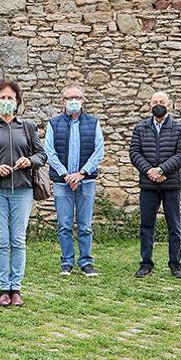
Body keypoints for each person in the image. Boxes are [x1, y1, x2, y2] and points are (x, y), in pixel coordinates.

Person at [0, 79, 45, 307]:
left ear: (17, 101)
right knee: (2, 240)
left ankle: (17, 288)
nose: (6, 101)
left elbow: (42, 156)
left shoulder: (28, 127)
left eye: (10, 98)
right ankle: (4, 287)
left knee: (19, 240)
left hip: (22, 190)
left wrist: (29, 160)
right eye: (2, 97)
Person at [44, 84, 105, 278]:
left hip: (86, 182)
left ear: (83, 100)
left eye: (77, 97)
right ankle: (67, 261)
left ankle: (86, 261)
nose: (73, 101)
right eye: (69, 98)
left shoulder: (93, 123)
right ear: (63, 101)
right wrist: (65, 175)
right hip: (62, 183)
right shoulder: (53, 124)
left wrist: (82, 173)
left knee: (85, 225)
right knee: (64, 224)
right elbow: (50, 152)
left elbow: (99, 151)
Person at [128, 91, 181, 278]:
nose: (158, 104)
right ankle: (146, 264)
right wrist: (150, 171)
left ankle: (175, 264)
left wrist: (162, 170)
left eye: (161, 101)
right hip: (148, 185)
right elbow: (135, 153)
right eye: (154, 101)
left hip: (170, 185)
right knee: (146, 226)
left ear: (169, 104)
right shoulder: (140, 129)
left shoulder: (179, 129)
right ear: (150, 105)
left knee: (174, 226)